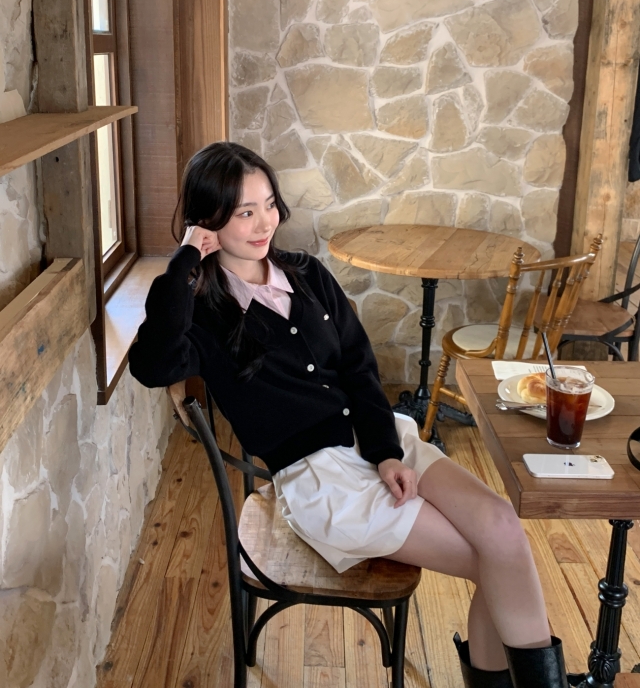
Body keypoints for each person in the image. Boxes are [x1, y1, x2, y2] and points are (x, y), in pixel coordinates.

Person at [129, 142, 570, 688]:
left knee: (502, 529)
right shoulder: (201, 310)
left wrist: (385, 452)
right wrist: (185, 260)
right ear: (207, 220)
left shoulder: (307, 274)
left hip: (378, 438)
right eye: (244, 212)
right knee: (494, 562)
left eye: (269, 204)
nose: (265, 222)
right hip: (324, 482)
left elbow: (360, 367)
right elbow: (153, 365)